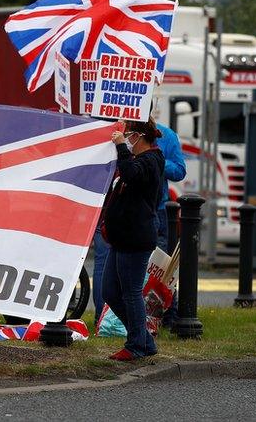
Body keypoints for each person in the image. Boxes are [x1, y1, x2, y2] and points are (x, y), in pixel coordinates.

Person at [102, 118, 164, 361]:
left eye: (128, 134)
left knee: (130, 292)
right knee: (110, 291)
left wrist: (120, 147)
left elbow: (131, 174)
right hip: (122, 238)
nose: (126, 138)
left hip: (134, 239)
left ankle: (137, 345)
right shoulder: (141, 160)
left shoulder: (151, 161)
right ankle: (143, 339)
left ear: (139, 136)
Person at [155, 122, 185, 329]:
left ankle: (169, 314)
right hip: (129, 207)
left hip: (156, 207)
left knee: (161, 264)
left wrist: (157, 161)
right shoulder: (118, 132)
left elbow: (179, 170)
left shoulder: (166, 135)